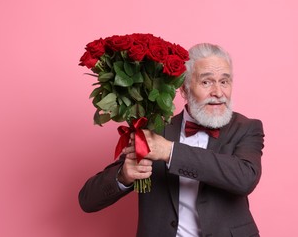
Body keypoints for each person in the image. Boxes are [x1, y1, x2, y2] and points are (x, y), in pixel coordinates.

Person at [79, 43, 265, 237]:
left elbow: (245, 178)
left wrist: (170, 151)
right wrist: (123, 176)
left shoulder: (247, 128)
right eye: (206, 82)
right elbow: (87, 201)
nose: (218, 92)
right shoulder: (153, 130)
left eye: (224, 82)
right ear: (184, 89)